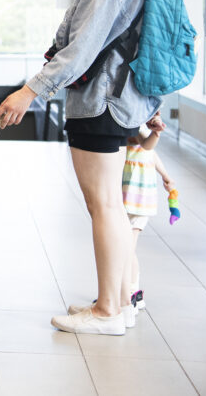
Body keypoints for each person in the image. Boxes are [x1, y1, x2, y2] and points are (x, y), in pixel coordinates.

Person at [0, 0, 162, 336]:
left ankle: (109, 310)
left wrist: (31, 91)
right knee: (111, 206)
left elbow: (82, 50)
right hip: (117, 101)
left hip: (101, 104)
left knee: (104, 204)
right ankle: (121, 300)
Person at [68, 112, 174, 315]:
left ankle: (128, 295)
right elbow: (148, 149)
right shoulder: (134, 123)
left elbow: (148, 148)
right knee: (127, 247)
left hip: (138, 198)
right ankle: (122, 295)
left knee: (126, 247)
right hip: (129, 195)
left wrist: (156, 134)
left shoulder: (134, 124)